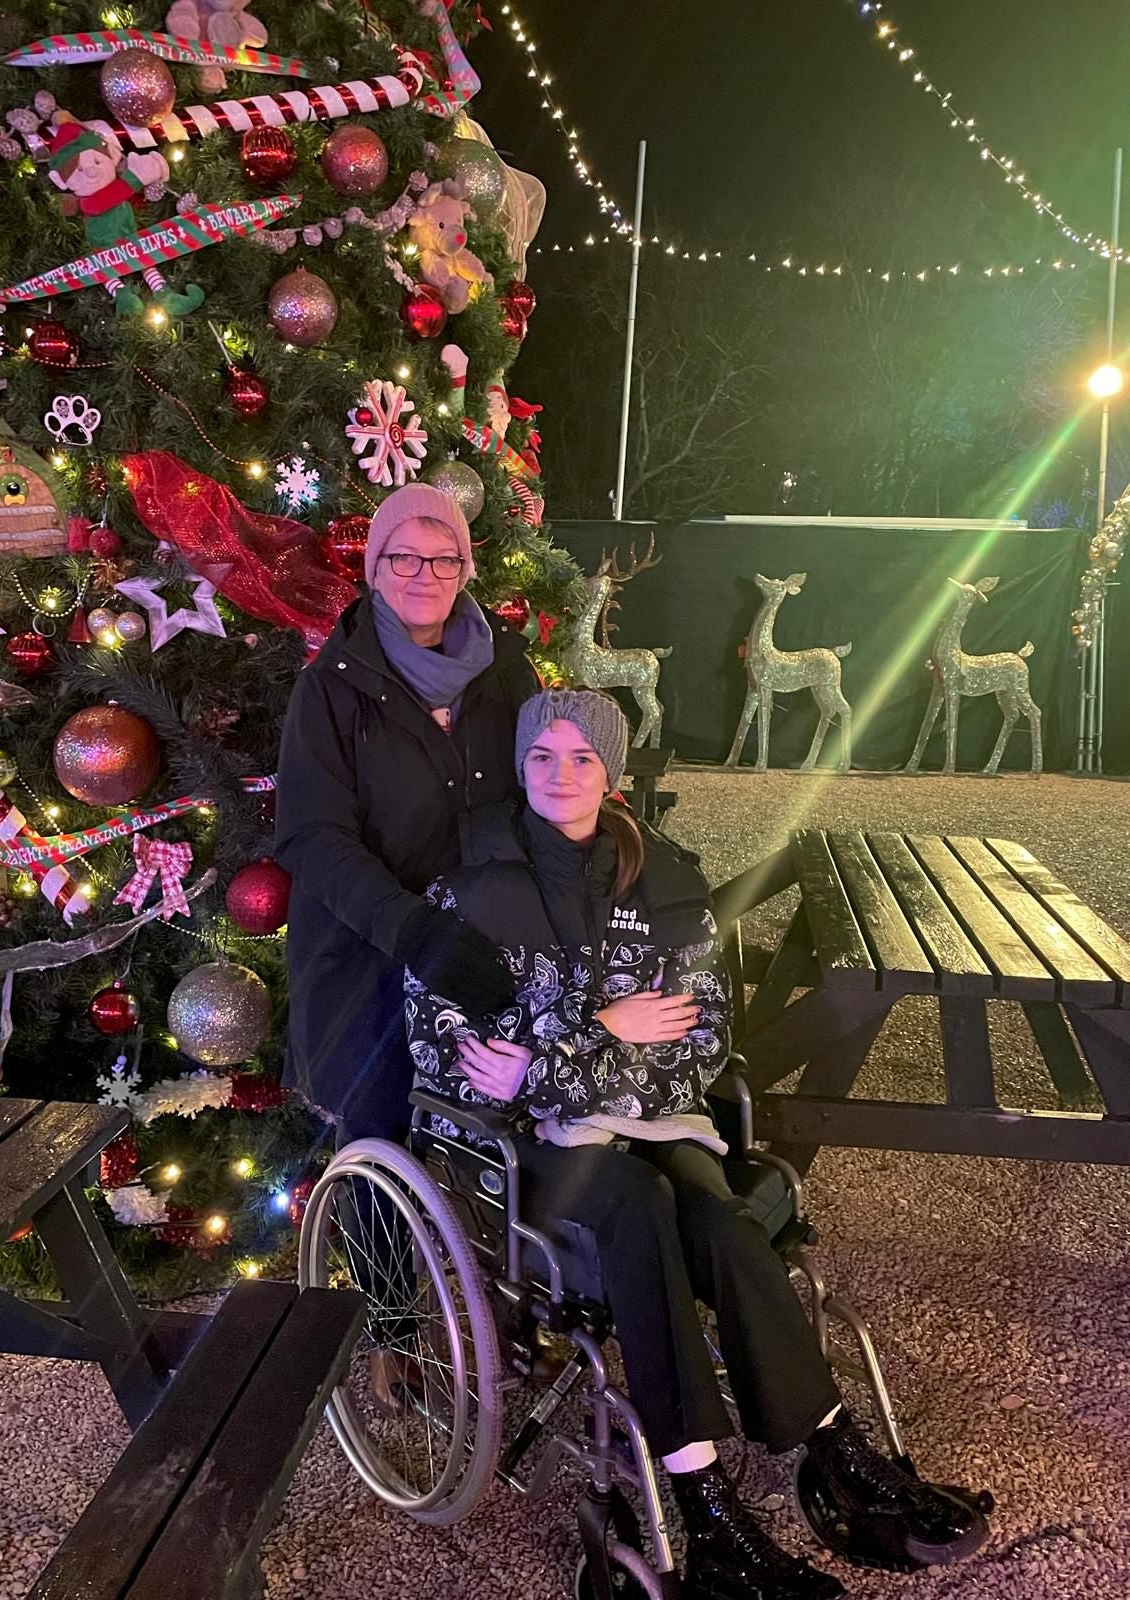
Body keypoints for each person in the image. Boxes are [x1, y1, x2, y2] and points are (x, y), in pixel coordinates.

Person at [406, 689, 987, 1600]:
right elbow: (453, 1050)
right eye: (542, 757)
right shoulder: (467, 892)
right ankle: (704, 1498)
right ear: (518, 769)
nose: (563, 775)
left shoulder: (667, 881)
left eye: (583, 758)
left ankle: (834, 1448)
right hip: (525, 1148)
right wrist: (607, 1026)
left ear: (616, 772)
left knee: (717, 1216)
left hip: (657, 1114)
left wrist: (555, 1053)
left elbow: (702, 1034)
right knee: (639, 1205)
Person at [275, 480, 539, 1143]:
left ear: (464, 569)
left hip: (489, 951)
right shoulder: (331, 688)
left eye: (444, 558)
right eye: (404, 557)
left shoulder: (507, 671)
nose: (425, 574)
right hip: (371, 970)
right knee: (383, 1153)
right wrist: (417, 931)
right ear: (375, 567)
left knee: (493, 1153)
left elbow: (550, 789)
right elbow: (311, 836)